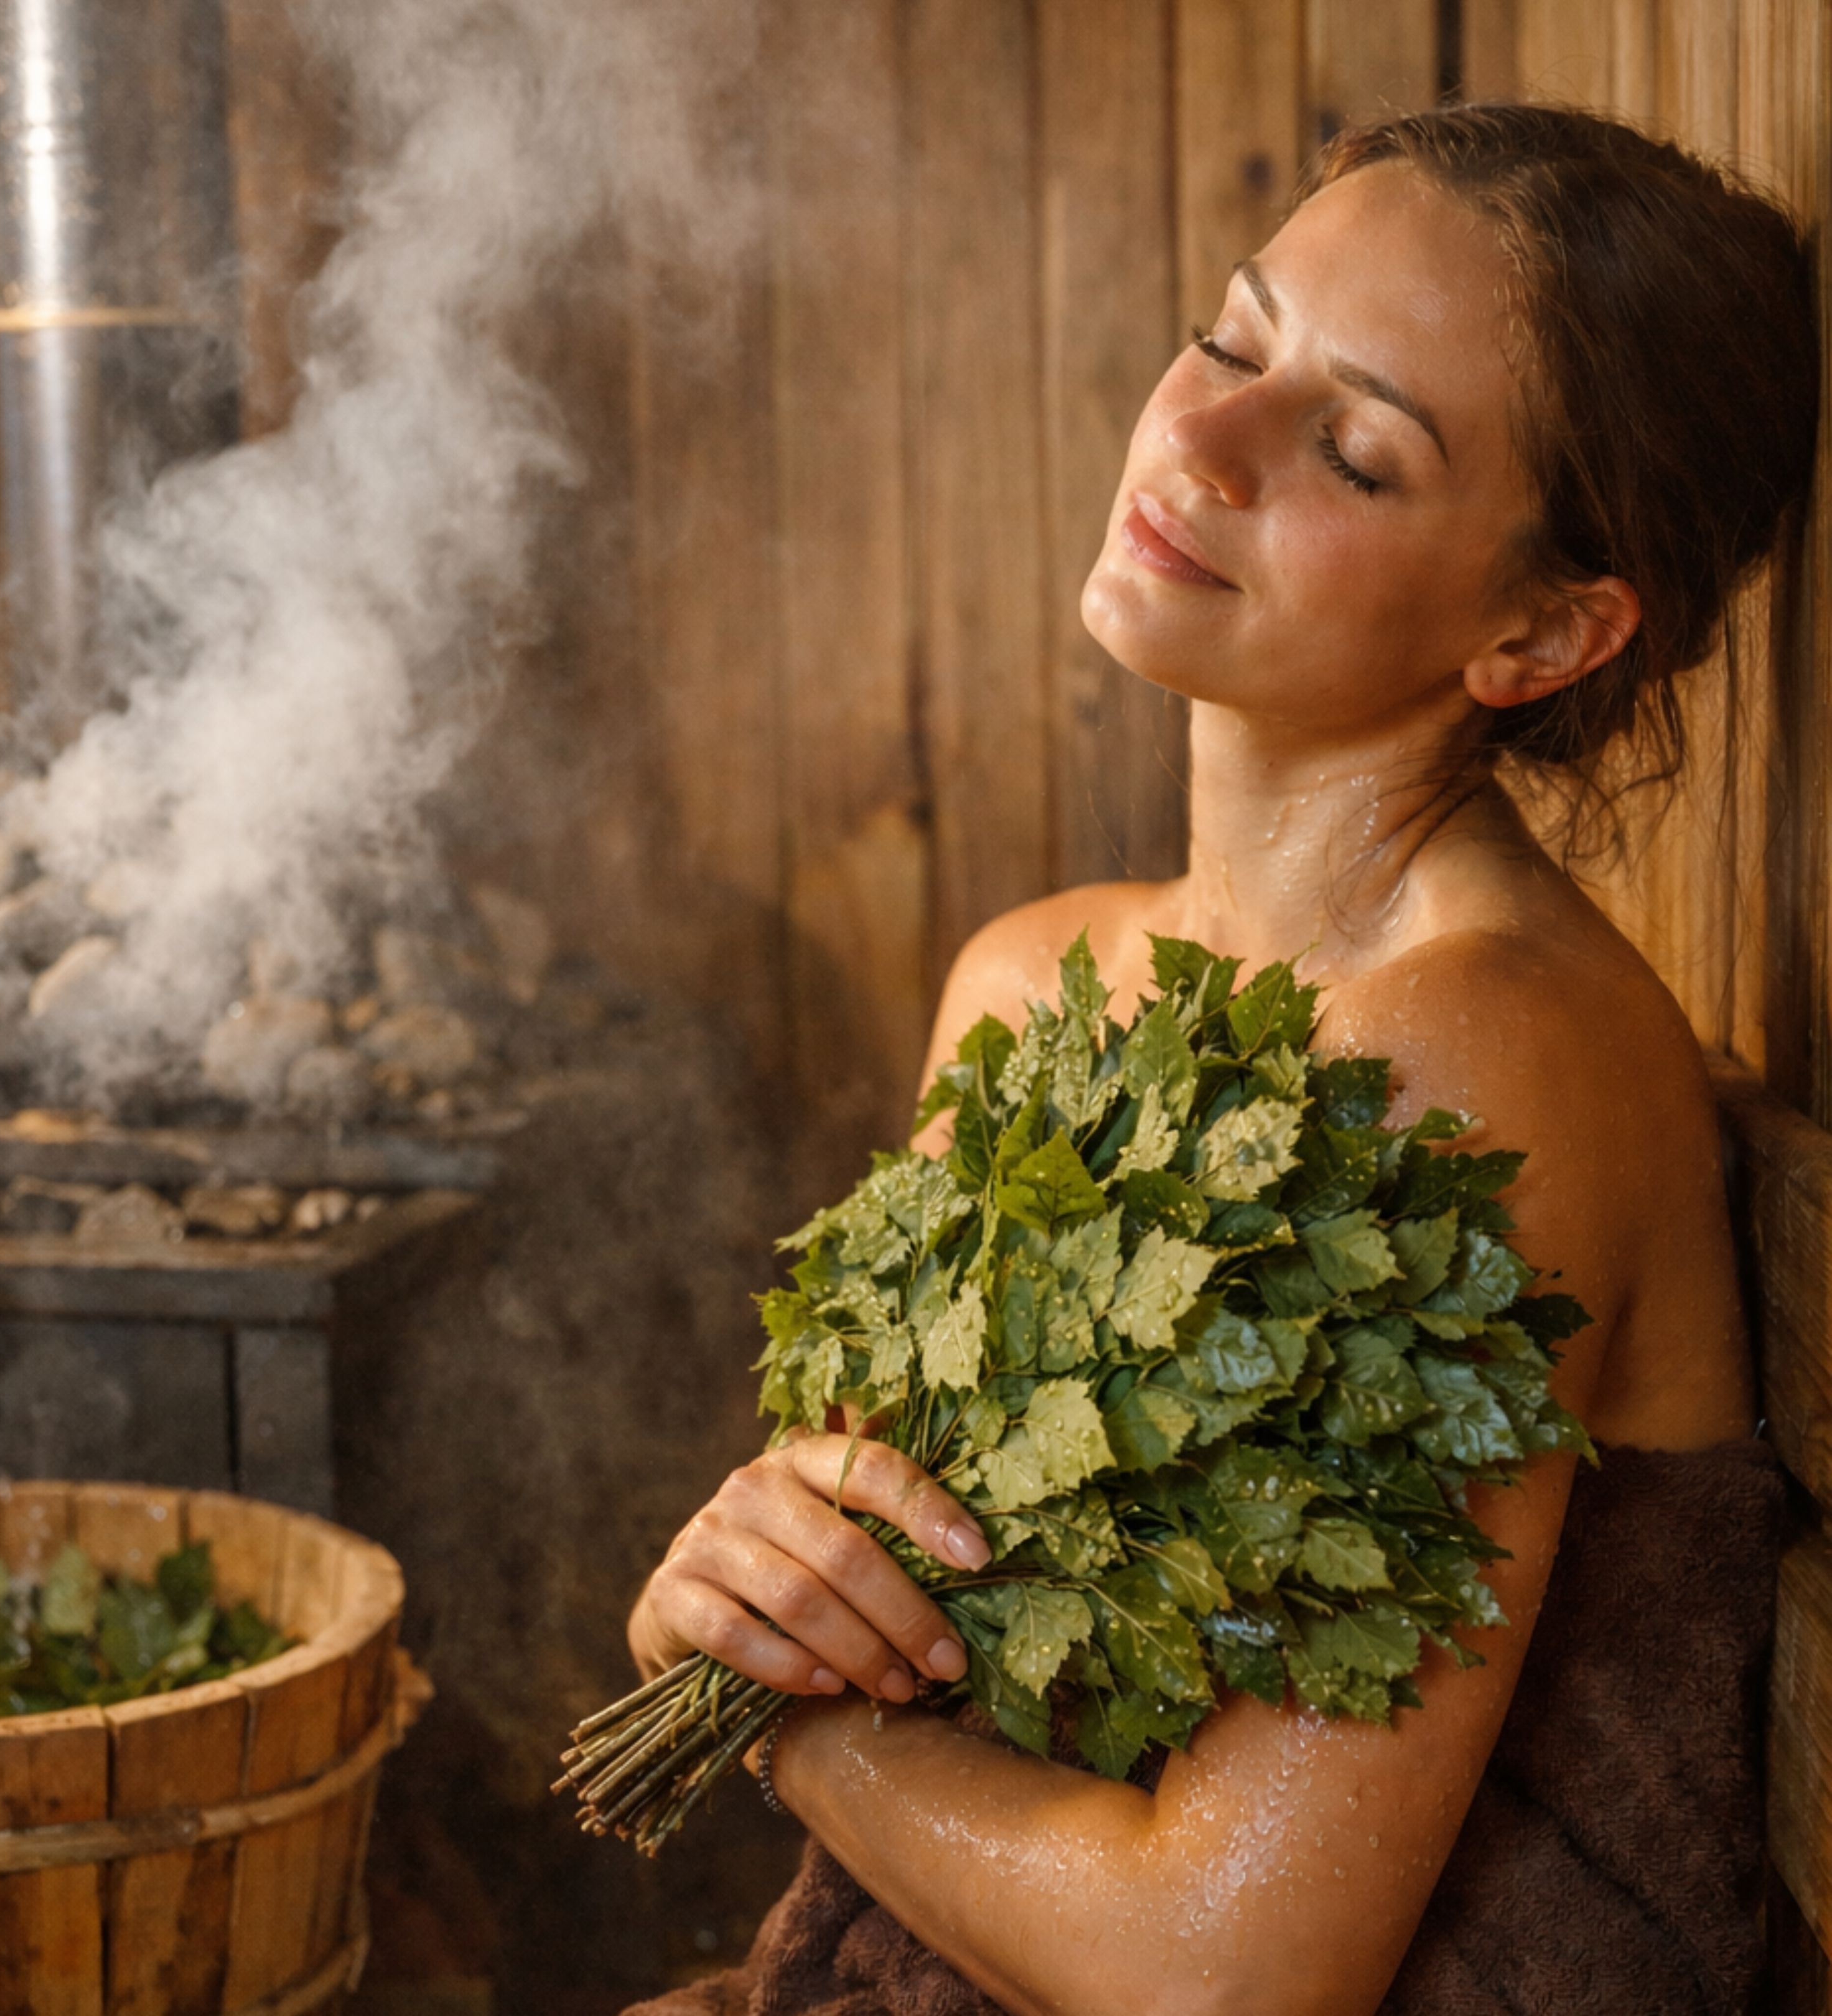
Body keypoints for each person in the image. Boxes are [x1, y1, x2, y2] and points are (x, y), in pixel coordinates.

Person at [620, 103, 1816, 2016]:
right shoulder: (1030, 986)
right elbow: (877, 1608)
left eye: (1351, 448)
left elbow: (1223, 1979)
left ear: (1545, 630)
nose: (1197, 439)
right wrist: (740, 1597)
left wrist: (790, 1734)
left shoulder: (1471, 1063)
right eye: (1233, 339)